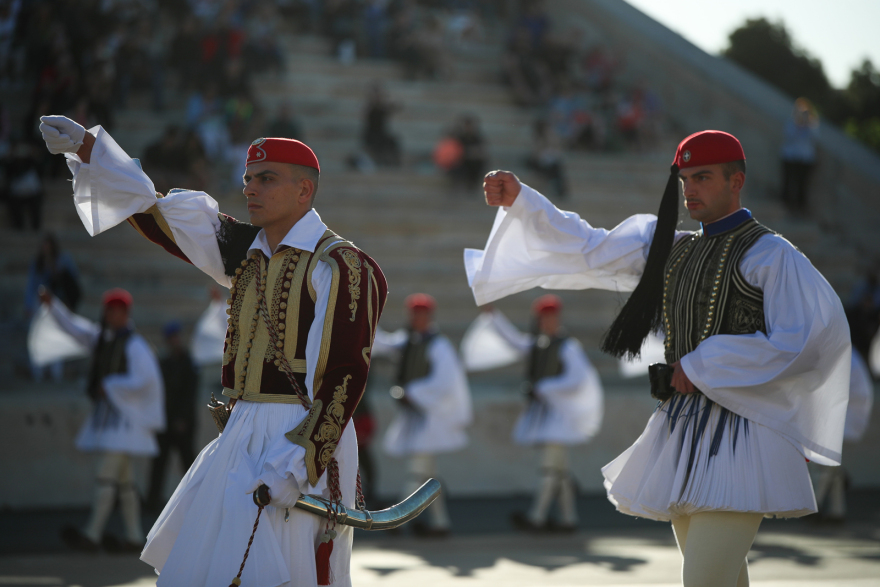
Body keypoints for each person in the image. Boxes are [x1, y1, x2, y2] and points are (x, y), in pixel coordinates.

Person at [465, 130, 851, 587]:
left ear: (736, 181)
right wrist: (524, 201)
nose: (690, 189)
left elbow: (805, 341)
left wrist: (702, 364)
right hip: (684, 429)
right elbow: (589, 249)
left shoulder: (771, 254)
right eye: (685, 179)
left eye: (703, 177)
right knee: (722, 580)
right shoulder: (672, 248)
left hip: (745, 434)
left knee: (703, 580)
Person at [39, 114, 388, 587]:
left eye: (266, 179)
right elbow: (157, 212)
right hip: (240, 431)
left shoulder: (342, 265)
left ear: (304, 191)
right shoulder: (247, 251)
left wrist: (298, 464)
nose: (250, 188)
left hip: (298, 437)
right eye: (248, 178)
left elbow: (343, 374)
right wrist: (89, 149)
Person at [39, 287, 164, 553]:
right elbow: (76, 328)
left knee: (106, 476)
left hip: (126, 423)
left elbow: (145, 380)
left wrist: (111, 385)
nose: (110, 316)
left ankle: (92, 534)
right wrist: (53, 305)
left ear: (125, 313)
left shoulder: (135, 345)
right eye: (108, 311)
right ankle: (134, 537)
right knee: (126, 484)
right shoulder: (103, 339)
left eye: (115, 311)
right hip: (112, 422)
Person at [479, 295, 603, 533]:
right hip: (546, 415)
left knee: (549, 469)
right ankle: (569, 519)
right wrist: (492, 316)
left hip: (559, 417)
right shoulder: (539, 344)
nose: (547, 321)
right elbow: (514, 341)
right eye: (543, 317)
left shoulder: (567, 346)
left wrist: (545, 387)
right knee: (559, 472)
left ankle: (536, 517)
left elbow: (578, 378)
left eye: (551, 317)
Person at [372, 293, 472, 537]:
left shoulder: (439, 345)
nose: (417, 318)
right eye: (414, 313)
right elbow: (382, 344)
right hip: (416, 415)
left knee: (417, 472)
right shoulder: (408, 339)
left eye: (421, 314)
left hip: (431, 416)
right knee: (427, 475)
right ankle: (440, 523)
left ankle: (397, 520)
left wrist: (413, 392)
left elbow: (444, 381)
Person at [146, 321, 199, 512]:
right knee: (159, 464)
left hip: (183, 424)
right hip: (165, 423)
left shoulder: (189, 362)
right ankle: (152, 502)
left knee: (189, 464)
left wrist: (182, 419)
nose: (174, 341)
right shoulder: (165, 364)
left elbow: (189, 394)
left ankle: (195, 500)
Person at [780, 97, 819, 214]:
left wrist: (807, 123)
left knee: (803, 184)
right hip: (790, 157)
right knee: (788, 182)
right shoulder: (791, 123)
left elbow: (815, 138)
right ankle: (786, 204)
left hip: (805, 159)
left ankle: (800, 207)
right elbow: (788, 136)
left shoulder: (812, 124)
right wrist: (798, 124)